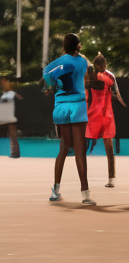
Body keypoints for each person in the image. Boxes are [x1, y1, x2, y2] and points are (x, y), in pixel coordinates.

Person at [42, 32, 95, 205]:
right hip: (77, 106)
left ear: (64, 47)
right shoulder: (82, 62)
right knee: (80, 151)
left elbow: (46, 74)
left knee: (63, 148)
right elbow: (87, 76)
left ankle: (55, 189)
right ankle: (85, 194)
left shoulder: (57, 63)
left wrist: (52, 84)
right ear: (78, 46)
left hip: (61, 107)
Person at [85, 53, 125, 188]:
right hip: (92, 114)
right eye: (98, 66)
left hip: (105, 114)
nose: (100, 68)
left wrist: (116, 98)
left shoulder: (110, 76)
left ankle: (111, 177)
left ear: (105, 65)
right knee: (82, 144)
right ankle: (83, 178)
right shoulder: (90, 73)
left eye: (102, 66)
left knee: (109, 146)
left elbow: (117, 94)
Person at [0, 76, 23, 158]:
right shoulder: (5, 94)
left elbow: (17, 97)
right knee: (12, 136)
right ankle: (15, 153)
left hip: (9, 118)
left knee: (13, 136)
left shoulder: (10, 93)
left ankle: (15, 153)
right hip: (4, 118)